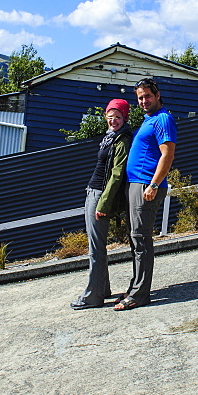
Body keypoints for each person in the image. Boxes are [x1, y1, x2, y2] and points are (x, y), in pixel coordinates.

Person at [115, 78, 176, 311]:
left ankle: (140, 295)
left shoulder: (163, 119)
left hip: (146, 186)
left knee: (141, 240)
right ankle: (135, 287)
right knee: (135, 238)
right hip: (136, 185)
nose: (143, 101)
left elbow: (167, 155)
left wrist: (153, 184)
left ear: (157, 95)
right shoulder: (148, 120)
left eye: (147, 96)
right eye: (140, 97)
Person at [70, 99, 133, 310]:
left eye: (118, 117)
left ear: (125, 118)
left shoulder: (122, 140)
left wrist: (103, 204)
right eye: (110, 116)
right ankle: (102, 289)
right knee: (97, 246)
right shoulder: (109, 138)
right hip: (94, 192)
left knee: (95, 249)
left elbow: (117, 175)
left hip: (100, 196)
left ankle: (92, 297)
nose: (113, 121)